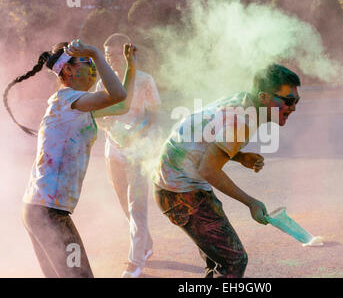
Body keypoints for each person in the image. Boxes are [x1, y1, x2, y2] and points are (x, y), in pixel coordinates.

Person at [3, 39, 138, 277]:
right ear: (68, 69)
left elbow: (122, 104)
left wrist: (131, 68)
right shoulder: (67, 99)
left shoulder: (78, 105)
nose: (94, 68)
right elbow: (115, 95)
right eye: (87, 62)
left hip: (40, 209)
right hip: (47, 211)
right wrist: (96, 52)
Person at [152, 64, 301, 278]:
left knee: (218, 261)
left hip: (176, 183)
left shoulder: (244, 101)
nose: (294, 107)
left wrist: (239, 156)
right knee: (234, 262)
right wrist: (252, 202)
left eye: (297, 101)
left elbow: (206, 139)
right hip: (180, 191)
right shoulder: (244, 121)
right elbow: (209, 170)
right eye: (288, 100)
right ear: (264, 97)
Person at [95, 33, 161, 278]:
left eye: (113, 54)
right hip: (112, 149)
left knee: (137, 205)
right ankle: (146, 244)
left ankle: (135, 261)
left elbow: (153, 113)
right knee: (124, 201)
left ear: (126, 54)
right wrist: (110, 128)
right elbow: (98, 115)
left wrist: (137, 132)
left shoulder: (144, 80)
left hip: (138, 150)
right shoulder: (103, 82)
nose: (110, 59)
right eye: (107, 55)